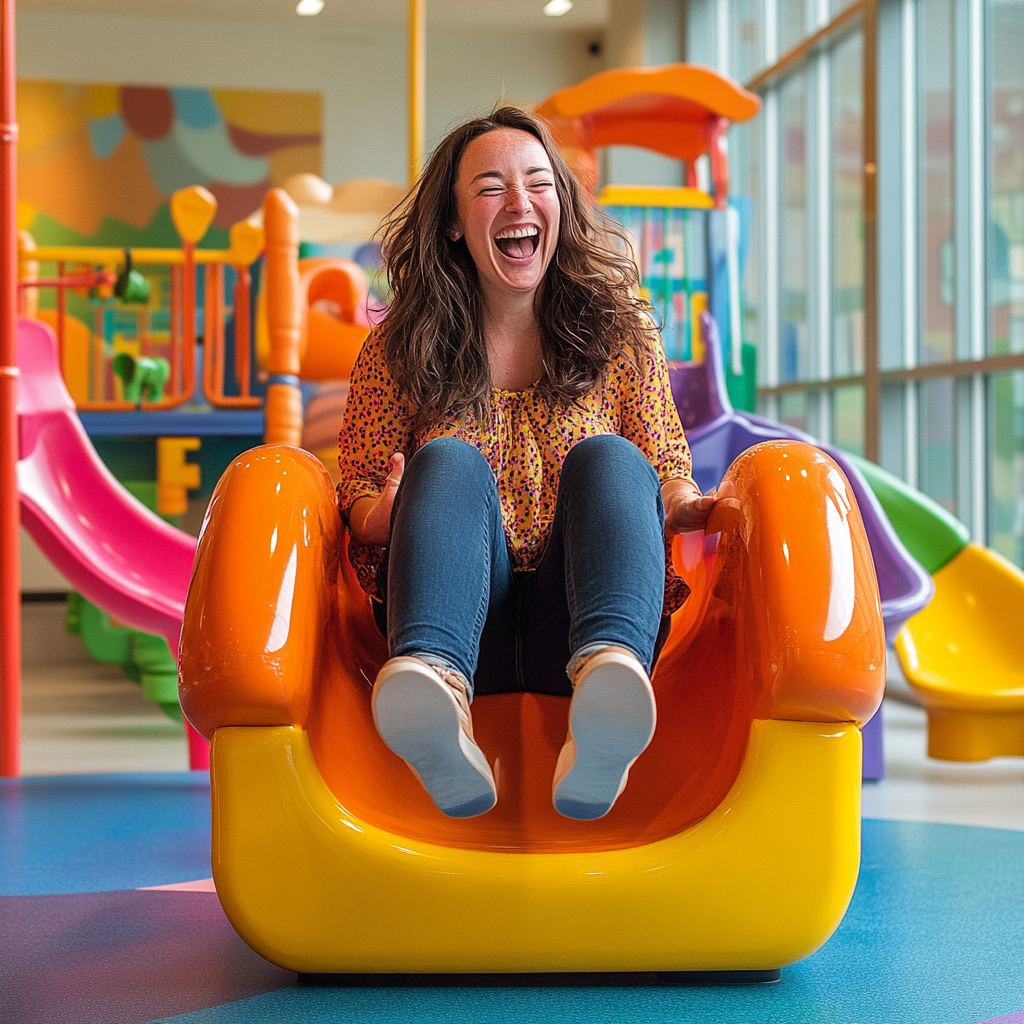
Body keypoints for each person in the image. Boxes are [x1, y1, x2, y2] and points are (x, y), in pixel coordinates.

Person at [337, 106, 716, 822]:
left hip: (579, 618)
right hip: (453, 623)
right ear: (453, 222)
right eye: (489, 188)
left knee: (610, 457)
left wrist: (679, 500)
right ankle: (435, 700)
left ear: (560, 206)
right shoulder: (397, 353)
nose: (518, 203)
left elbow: (665, 462)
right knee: (445, 461)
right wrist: (379, 514)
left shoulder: (620, 337)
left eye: (538, 183)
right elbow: (356, 483)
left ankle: (608, 693)